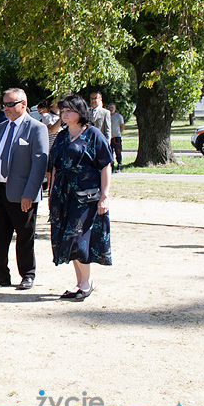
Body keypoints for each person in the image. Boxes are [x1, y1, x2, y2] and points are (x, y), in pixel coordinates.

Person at [0, 88, 49, 290]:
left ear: (23, 104)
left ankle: (27, 274)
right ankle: (0, 274)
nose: (6, 108)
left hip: (22, 193)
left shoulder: (36, 128)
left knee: (24, 236)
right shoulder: (1, 127)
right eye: (4, 104)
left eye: (11, 104)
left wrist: (30, 193)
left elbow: (39, 164)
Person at [49, 95, 113, 300]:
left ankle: (87, 283)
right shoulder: (61, 136)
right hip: (63, 194)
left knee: (78, 238)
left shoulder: (93, 134)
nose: (64, 114)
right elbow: (56, 168)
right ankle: (81, 283)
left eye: (68, 110)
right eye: (62, 110)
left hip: (86, 196)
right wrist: (51, 196)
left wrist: (104, 196)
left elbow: (106, 165)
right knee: (68, 240)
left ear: (80, 112)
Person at [108, 103, 125, 172]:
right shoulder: (107, 116)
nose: (111, 109)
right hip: (109, 137)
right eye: (109, 107)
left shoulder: (118, 116)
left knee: (118, 151)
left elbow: (122, 126)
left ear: (115, 108)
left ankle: (119, 165)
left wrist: (118, 132)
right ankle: (111, 166)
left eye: (112, 107)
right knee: (110, 152)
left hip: (116, 136)